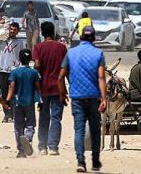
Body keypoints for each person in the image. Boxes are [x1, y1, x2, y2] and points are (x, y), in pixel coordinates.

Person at [58, 26, 108, 173]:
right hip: (93, 98)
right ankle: (95, 161)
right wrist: (104, 99)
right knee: (95, 130)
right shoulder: (98, 53)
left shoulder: (71, 53)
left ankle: (80, 161)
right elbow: (101, 77)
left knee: (79, 130)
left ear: (80, 37)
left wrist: (62, 93)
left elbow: (60, 77)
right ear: (93, 38)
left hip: (77, 98)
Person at [32, 21, 66, 155]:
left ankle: (42, 147)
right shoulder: (62, 48)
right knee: (56, 117)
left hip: (43, 88)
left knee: (43, 116)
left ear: (42, 33)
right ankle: (53, 147)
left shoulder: (38, 48)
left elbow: (37, 65)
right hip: (58, 87)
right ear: (53, 32)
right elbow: (65, 68)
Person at [6, 49, 41, 157]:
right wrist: (40, 100)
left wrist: (7, 100)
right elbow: (38, 88)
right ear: (30, 59)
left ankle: (21, 150)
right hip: (30, 102)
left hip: (17, 102)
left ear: (19, 59)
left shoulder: (14, 72)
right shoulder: (34, 73)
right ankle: (28, 138)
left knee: (18, 126)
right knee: (30, 124)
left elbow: (12, 87)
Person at [0, 22, 25, 123]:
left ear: (18, 31)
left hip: (14, 71)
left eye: (14, 30)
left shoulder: (21, 43)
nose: (12, 31)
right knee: (4, 94)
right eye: (11, 29)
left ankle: (11, 114)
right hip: (3, 71)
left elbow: (23, 57)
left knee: (13, 94)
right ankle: (6, 114)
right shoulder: (2, 40)